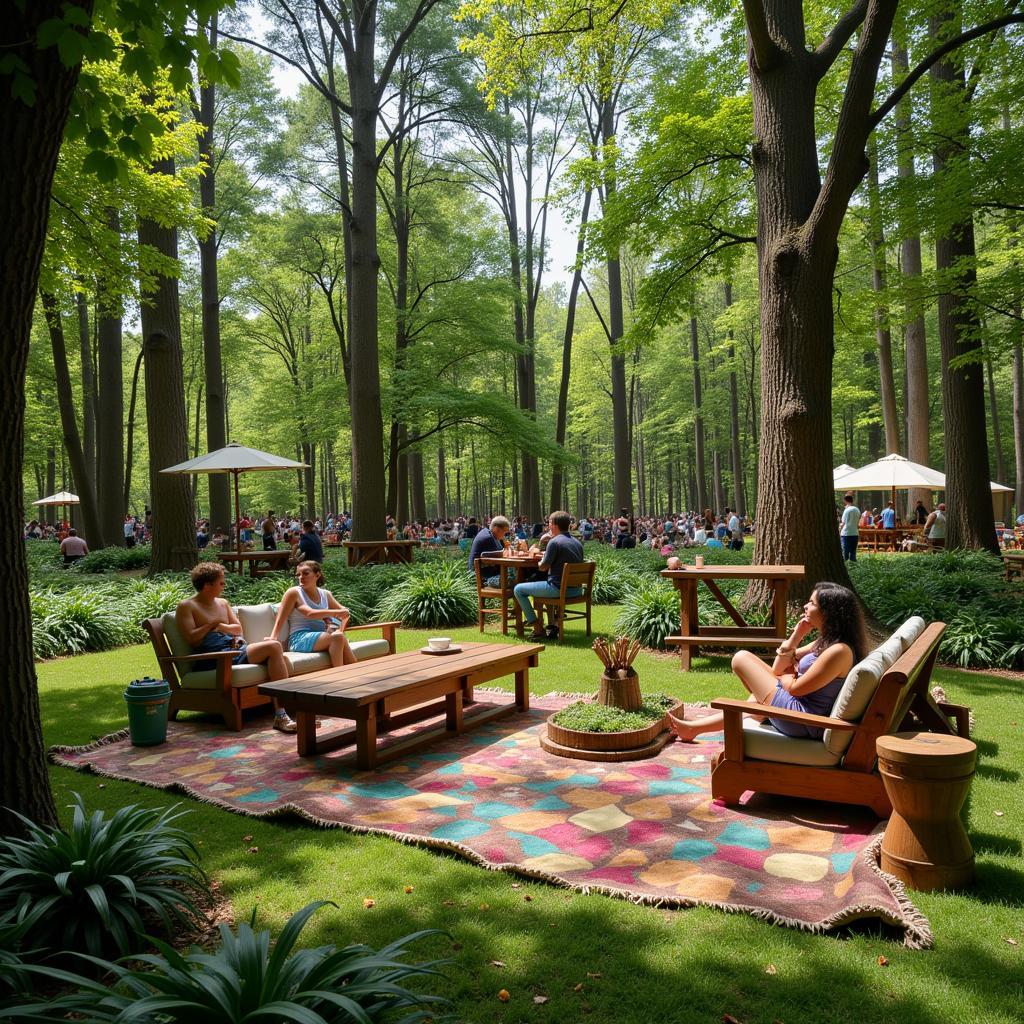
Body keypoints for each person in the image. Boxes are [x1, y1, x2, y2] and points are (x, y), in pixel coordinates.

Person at [672, 582, 865, 742]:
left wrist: (789, 673)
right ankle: (693, 729)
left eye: (812, 603)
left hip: (803, 719)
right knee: (748, 666)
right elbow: (778, 668)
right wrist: (797, 635)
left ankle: (697, 728)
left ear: (828, 612)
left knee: (740, 659)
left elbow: (795, 688)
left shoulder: (839, 651)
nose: (806, 606)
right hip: (797, 708)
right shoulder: (826, 641)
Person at [175, 562, 296, 732]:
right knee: (274, 649)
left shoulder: (223, 603)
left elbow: (238, 629)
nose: (224, 586)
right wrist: (212, 624)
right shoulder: (187, 606)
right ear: (207, 585)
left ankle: (284, 712)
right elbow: (192, 638)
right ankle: (283, 714)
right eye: (221, 583)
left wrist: (221, 627)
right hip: (215, 658)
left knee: (275, 649)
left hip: (235, 650)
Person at [270, 560, 355, 669]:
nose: (301, 577)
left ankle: (354, 673)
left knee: (339, 636)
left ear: (317, 574)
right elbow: (309, 613)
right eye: (298, 575)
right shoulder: (294, 593)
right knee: (338, 636)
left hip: (323, 637)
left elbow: (345, 614)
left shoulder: (325, 594)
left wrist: (333, 626)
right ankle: (339, 674)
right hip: (299, 638)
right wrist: (274, 637)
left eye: (305, 573)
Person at [514, 510, 584, 640]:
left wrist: (541, 560)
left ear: (554, 525)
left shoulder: (554, 542)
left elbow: (543, 567)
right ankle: (551, 624)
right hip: (576, 590)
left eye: (550, 523)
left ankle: (537, 627)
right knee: (545, 583)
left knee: (518, 589)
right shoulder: (577, 543)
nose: (548, 526)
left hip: (558, 589)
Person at [467, 514, 511, 586]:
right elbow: (501, 558)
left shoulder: (489, 534)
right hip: (482, 578)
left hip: (483, 574)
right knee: (516, 579)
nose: (504, 535)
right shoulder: (488, 538)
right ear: (496, 529)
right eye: (504, 532)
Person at [840, 491, 860, 562]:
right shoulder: (857, 509)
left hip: (846, 533)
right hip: (855, 533)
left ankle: (845, 566)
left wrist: (839, 530)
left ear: (845, 501)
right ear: (852, 501)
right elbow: (858, 523)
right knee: (853, 552)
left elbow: (843, 523)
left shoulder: (846, 510)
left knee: (845, 552)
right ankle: (853, 566)